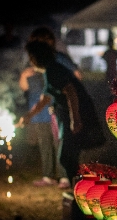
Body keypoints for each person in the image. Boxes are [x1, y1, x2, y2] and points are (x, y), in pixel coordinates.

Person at [16, 38, 102, 188]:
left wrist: (75, 118)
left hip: (79, 115)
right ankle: (78, 191)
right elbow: (45, 98)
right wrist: (28, 116)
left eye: (31, 57)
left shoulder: (53, 70)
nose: (30, 61)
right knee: (68, 157)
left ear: (37, 57)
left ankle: (79, 191)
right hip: (71, 117)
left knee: (66, 156)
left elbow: (71, 91)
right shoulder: (49, 71)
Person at [19, 66, 70, 189]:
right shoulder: (30, 73)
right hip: (38, 118)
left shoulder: (51, 73)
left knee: (59, 146)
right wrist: (23, 75)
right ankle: (48, 176)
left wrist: (28, 115)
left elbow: (46, 97)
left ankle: (64, 177)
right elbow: (24, 88)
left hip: (54, 115)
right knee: (45, 146)